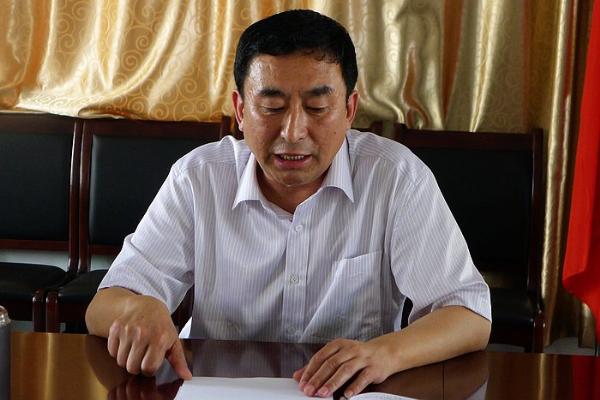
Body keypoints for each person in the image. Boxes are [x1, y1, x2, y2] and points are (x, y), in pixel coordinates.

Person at [86, 9, 491, 398]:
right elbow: (103, 305)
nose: (294, 131)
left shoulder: (396, 177)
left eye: (317, 108)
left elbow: (468, 315)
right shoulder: (199, 178)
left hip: (348, 394)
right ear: (241, 110)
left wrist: (385, 352)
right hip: (218, 390)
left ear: (349, 109)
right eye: (272, 107)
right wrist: (137, 307)